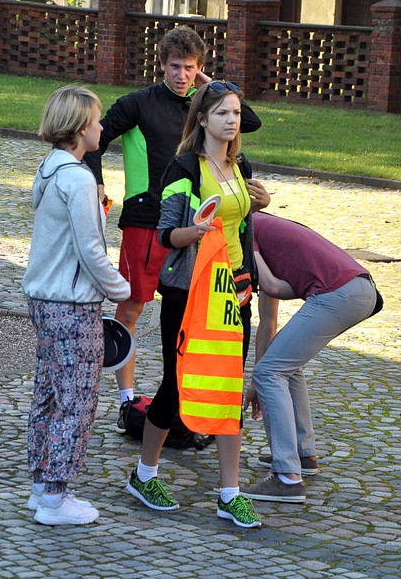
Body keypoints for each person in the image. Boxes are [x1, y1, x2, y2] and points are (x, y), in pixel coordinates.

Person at [82, 26, 262, 428]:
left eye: (190, 68)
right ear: (161, 64)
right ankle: (127, 397)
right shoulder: (137, 103)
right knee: (132, 305)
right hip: (147, 223)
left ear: (199, 69)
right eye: (175, 66)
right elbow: (94, 140)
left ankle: (185, 401)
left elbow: (249, 122)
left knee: (194, 316)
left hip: (195, 229)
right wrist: (96, 181)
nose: (182, 75)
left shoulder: (205, 106)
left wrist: (210, 85)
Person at [125, 81, 263, 529]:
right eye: (222, 113)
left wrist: (258, 203)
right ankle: (144, 474)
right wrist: (196, 230)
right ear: (202, 118)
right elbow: (166, 235)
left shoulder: (239, 163)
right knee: (177, 384)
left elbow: (242, 224)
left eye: (236, 114)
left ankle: (230, 493)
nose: (233, 120)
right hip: (190, 292)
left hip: (233, 292)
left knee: (228, 387)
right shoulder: (183, 169)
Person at [22, 86, 131, 526]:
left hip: (44, 299)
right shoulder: (79, 177)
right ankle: (55, 495)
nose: (103, 127)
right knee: (77, 398)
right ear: (80, 127)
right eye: (97, 120)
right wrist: (121, 288)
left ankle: (40, 482)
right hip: (71, 304)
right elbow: (90, 248)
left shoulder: (49, 168)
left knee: (48, 393)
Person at [241, 212, 383, 503]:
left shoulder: (246, 228)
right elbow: (268, 319)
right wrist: (258, 373)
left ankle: (286, 477)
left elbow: (271, 287)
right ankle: (303, 455)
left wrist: (260, 376)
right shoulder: (262, 227)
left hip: (339, 294)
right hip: (357, 290)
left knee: (271, 373)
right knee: (284, 368)